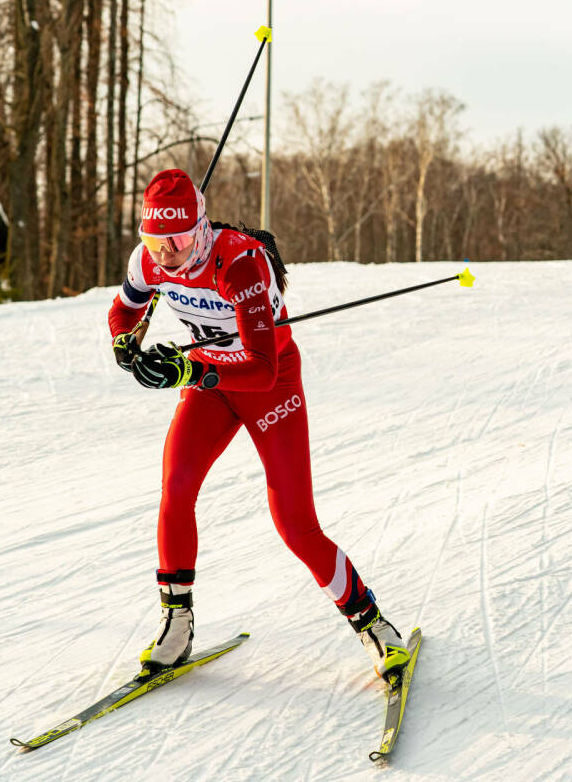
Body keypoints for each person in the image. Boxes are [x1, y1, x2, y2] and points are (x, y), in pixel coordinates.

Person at [108, 168, 409, 680]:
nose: (165, 254)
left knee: (295, 524)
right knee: (175, 489)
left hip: (268, 385)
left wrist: (188, 368)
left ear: (200, 229)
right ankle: (176, 624)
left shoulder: (239, 264)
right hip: (210, 385)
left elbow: (262, 367)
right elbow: (123, 311)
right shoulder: (151, 262)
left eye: (176, 240)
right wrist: (125, 345)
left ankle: (375, 625)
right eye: (154, 240)